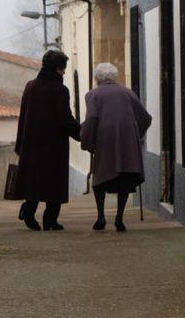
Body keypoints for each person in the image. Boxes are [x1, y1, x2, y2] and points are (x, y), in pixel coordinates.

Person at [80, 62, 152, 232]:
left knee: (100, 179)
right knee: (125, 178)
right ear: (115, 77)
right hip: (128, 140)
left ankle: (101, 217)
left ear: (97, 78)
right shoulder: (128, 93)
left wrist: (87, 141)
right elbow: (145, 118)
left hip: (104, 140)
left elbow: (91, 119)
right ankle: (119, 218)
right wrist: (137, 135)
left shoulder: (93, 95)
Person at [14, 50, 81, 231]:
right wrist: (82, 135)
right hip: (54, 145)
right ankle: (50, 220)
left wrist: (20, 143)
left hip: (32, 143)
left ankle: (29, 212)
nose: (65, 72)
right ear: (58, 69)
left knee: (34, 180)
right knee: (54, 181)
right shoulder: (60, 90)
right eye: (63, 69)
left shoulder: (30, 86)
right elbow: (65, 119)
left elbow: (23, 116)